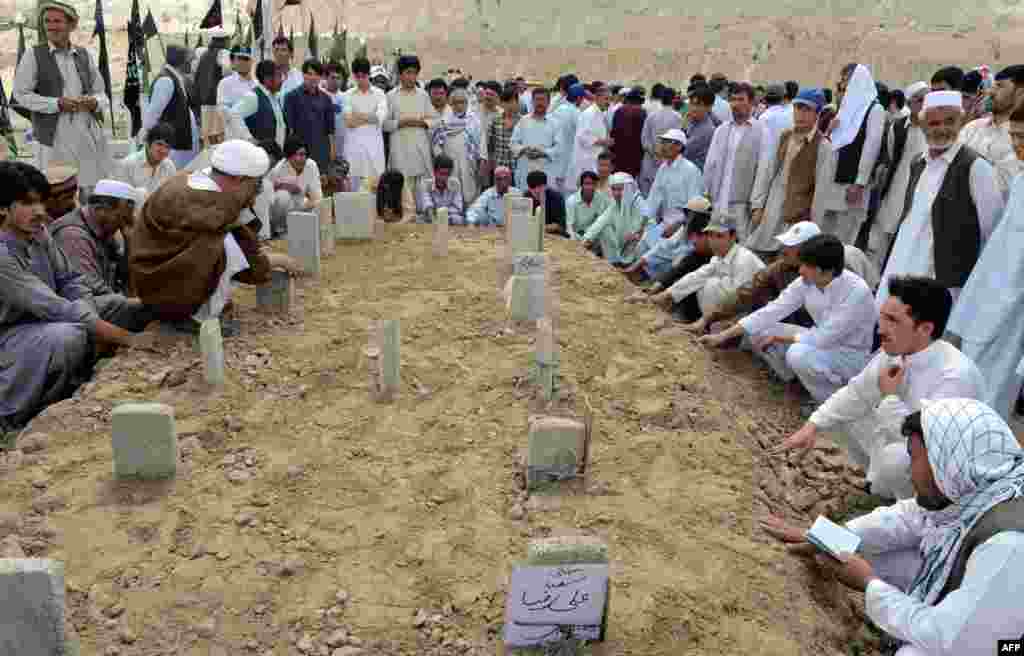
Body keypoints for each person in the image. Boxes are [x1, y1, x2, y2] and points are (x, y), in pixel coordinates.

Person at [761, 398, 1024, 656]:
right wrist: (826, 537)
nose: (909, 473)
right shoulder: (978, 487)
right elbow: (904, 518)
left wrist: (869, 584)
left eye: (914, 458)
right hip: (981, 621)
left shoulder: (1009, 544)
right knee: (867, 550)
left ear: (947, 463)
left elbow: (957, 643)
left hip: (998, 646)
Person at [777, 276, 985, 500]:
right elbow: (856, 393)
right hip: (903, 440)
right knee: (845, 411)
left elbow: (925, 447)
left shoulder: (954, 377)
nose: (880, 330)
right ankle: (878, 486)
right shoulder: (896, 351)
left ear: (925, 329)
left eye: (893, 320)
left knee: (896, 458)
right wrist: (812, 427)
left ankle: (911, 512)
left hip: (942, 478)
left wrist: (888, 397)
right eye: (882, 317)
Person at [0, 162, 139, 434]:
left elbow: (71, 281)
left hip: (50, 319)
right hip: (11, 333)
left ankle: (79, 372)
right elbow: (52, 306)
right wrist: (125, 338)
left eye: (41, 202)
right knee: (67, 335)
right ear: (3, 207)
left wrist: (94, 317)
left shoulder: (39, 233)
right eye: (28, 203)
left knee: (119, 306)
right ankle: (15, 414)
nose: (39, 211)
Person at [129, 140, 302, 329]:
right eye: (254, 185)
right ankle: (197, 318)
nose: (253, 196)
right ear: (238, 179)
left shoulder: (199, 180)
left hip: (156, 277)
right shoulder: (208, 201)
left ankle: (199, 306)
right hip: (158, 285)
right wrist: (277, 261)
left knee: (225, 246)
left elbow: (246, 242)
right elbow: (246, 256)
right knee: (223, 247)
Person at [700, 234, 876, 405]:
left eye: (807, 266)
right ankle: (796, 384)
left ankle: (830, 402)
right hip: (818, 341)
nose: (800, 270)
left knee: (798, 354)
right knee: (761, 330)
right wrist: (722, 336)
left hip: (850, 355)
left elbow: (825, 337)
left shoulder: (856, 291)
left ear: (826, 271)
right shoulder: (807, 281)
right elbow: (773, 310)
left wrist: (780, 338)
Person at [877, 91, 1003, 308]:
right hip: (905, 264)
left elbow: (992, 232)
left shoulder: (975, 167)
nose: (942, 129)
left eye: (950, 122)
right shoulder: (918, 163)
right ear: (923, 125)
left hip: (946, 280)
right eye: (934, 123)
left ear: (961, 122)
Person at [947, 104, 1024, 420]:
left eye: (1023, 137)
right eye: (1014, 136)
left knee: (990, 395)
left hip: (1014, 315)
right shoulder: (1020, 181)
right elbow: (996, 251)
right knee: (965, 379)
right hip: (987, 300)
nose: (1017, 144)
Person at [685, 221, 878, 334]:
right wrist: (709, 317)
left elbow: (860, 309)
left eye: (790, 246)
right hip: (812, 331)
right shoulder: (783, 266)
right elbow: (749, 292)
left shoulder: (846, 262)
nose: (784, 250)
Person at [12, 0, 113, 203]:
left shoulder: (84, 55)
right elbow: (20, 95)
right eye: (47, 21)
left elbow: (103, 95)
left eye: (57, 21)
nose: (51, 26)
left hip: (86, 135)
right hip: (54, 137)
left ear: (71, 25)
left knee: (89, 191)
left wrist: (93, 101)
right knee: (57, 194)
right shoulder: (34, 55)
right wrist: (56, 104)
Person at [50, 179, 154, 331]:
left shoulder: (104, 229)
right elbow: (88, 289)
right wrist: (130, 303)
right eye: (122, 218)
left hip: (98, 302)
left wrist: (130, 240)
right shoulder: (73, 236)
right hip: (75, 310)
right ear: (101, 209)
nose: (123, 224)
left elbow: (124, 276)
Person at [811, 64, 886, 245]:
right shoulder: (845, 108)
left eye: (847, 80)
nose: (843, 85)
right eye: (842, 82)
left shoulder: (874, 109)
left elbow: (871, 147)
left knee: (844, 238)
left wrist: (860, 183)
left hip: (851, 186)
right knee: (824, 233)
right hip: (832, 181)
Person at [747, 88, 824, 257]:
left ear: (817, 114)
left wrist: (811, 226)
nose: (801, 114)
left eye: (807, 110)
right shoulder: (785, 136)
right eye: (798, 108)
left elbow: (820, 192)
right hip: (771, 210)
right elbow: (768, 172)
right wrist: (757, 206)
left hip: (796, 217)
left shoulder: (822, 145)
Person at [622, 128, 705, 281]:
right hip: (665, 224)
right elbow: (653, 201)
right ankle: (642, 277)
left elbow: (695, 209)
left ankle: (653, 280)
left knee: (665, 251)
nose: (663, 146)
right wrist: (641, 228)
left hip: (684, 228)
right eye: (663, 142)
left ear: (679, 146)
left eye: (667, 142)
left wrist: (677, 227)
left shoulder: (691, 171)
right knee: (642, 244)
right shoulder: (663, 168)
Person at [649, 213, 765, 322]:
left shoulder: (743, 260)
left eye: (719, 236)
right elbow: (696, 276)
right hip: (731, 315)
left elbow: (739, 301)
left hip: (754, 316)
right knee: (699, 281)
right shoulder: (718, 258)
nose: (714, 241)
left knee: (711, 285)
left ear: (733, 236)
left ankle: (712, 326)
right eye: (710, 235)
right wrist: (664, 295)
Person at [867, 82, 929, 270]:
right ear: (909, 103)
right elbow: (891, 157)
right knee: (879, 238)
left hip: (922, 193)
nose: (925, 103)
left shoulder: (933, 128)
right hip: (895, 190)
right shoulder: (898, 127)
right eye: (920, 100)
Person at [704, 82, 768, 243]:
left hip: (742, 204)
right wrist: (706, 194)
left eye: (741, 99)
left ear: (752, 103)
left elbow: (763, 170)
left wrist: (757, 205)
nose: (735, 104)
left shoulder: (762, 131)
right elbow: (710, 165)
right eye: (732, 100)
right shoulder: (721, 130)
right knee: (716, 244)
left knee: (741, 246)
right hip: (718, 200)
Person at [957, 64, 1024, 200]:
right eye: (993, 86)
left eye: (1000, 86)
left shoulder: (1020, 138)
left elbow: (1003, 184)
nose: (991, 92)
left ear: (1020, 92)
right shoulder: (972, 128)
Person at [384, 55, 434, 202]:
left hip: (420, 149)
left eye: (414, 72)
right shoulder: (391, 96)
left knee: (422, 193)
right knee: (401, 191)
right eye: (408, 72)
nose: (411, 77)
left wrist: (421, 123)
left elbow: (434, 120)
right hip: (400, 150)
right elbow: (384, 124)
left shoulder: (423, 95)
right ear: (400, 74)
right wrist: (401, 123)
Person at [142, 44, 200, 170]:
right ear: (182, 61)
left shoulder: (176, 78)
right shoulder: (166, 81)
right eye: (190, 60)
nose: (192, 64)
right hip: (170, 146)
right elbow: (154, 113)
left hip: (177, 144)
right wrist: (148, 139)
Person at [342, 58, 388, 193]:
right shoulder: (347, 95)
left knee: (375, 191)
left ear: (369, 75)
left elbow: (380, 118)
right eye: (358, 76)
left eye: (364, 76)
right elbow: (349, 122)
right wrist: (369, 116)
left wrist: (358, 115)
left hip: (374, 152)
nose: (361, 80)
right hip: (353, 151)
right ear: (353, 76)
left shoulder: (379, 94)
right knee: (352, 193)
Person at [582, 171, 646, 265]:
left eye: (620, 189)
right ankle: (614, 263)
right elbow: (600, 222)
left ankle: (636, 268)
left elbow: (646, 228)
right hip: (624, 244)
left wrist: (636, 235)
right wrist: (586, 239)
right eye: (614, 189)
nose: (616, 193)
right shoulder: (615, 203)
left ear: (628, 189)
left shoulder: (639, 203)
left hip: (639, 245)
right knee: (604, 229)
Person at [283, 59, 335, 172]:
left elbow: (330, 130)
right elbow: (289, 129)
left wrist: (332, 153)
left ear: (321, 77)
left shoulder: (326, 99)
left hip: (321, 153)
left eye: (317, 74)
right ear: (303, 74)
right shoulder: (291, 97)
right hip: (299, 155)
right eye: (309, 74)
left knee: (319, 187)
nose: (313, 77)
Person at [432, 88, 481, 206]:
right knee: (451, 193)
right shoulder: (444, 121)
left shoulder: (474, 121)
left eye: (462, 102)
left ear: (467, 103)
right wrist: (442, 161)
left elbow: (481, 145)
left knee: (469, 195)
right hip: (449, 165)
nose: (459, 106)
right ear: (451, 104)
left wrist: (481, 165)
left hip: (469, 164)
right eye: (456, 102)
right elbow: (436, 145)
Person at [268, 135, 323, 238]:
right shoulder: (278, 170)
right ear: (288, 157)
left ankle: (305, 229)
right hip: (281, 212)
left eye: (302, 154)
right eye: (295, 155)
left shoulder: (311, 165)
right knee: (282, 196)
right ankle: (281, 231)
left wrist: (313, 203)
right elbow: (269, 198)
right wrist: (282, 186)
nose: (299, 159)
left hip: (301, 205)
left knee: (320, 202)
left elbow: (317, 194)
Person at [227, 60, 286, 150]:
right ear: (267, 79)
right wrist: (249, 139)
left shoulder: (275, 97)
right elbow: (233, 114)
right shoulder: (253, 97)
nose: (282, 80)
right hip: (260, 154)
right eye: (279, 76)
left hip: (276, 153)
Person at [510, 87, 561, 191]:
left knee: (544, 203)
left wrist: (543, 153)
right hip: (525, 170)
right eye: (537, 99)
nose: (540, 103)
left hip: (546, 171)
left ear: (548, 102)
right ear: (532, 102)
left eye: (543, 100)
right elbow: (513, 143)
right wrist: (524, 149)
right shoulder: (523, 121)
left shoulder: (555, 123)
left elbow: (559, 148)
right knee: (524, 202)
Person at [638, 86, 684, 195]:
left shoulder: (651, 116)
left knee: (647, 196)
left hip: (650, 161)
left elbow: (644, 139)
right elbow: (678, 141)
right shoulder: (677, 117)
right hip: (668, 162)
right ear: (674, 99)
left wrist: (654, 153)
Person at [116, 122, 176, 199]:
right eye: (159, 144)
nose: (163, 150)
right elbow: (122, 199)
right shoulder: (128, 164)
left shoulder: (169, 166)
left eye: (167, 147)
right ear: (148, 143)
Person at [570, 83, 613, 187]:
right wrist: (604, 142)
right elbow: (583, 137)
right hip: (586, 162)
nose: (608, 102)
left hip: (595, 160)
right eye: (606, 99)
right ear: (597, 98)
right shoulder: (589, 114)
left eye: (610, 99)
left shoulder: (600, 113)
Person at [192, 26, 230, 146]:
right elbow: (227, 71)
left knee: (207, 137)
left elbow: (196, 74)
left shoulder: (203, 54)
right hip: (216, 99)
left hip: (203, 100)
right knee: (218, 136)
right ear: (223, 40)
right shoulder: (223, 53)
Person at [550, 83, 586, 193]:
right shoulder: (577, 113)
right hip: (569, 161)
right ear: (579, 98)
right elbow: (583, 138)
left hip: (555, 160)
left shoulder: (558, 109)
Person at [609, 87, 646, 179]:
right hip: (634, 155)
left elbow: (613, 133)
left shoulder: (619, 111)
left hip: (618, 153)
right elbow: (643, 136)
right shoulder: (642, 113)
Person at [417, 154, 465, 224]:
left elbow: (457, 207)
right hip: (430, 218)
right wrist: (434, 220)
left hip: (449, 218)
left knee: (458, 219)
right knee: (419, 220)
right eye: (441, 174)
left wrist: (443, 217)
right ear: (434, 172)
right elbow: (427, 205)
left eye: (447, 174)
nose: (444, 178)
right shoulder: (425, 184)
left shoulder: (455, 183)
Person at [565, 170, 611, 241]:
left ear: (596, 185)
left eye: (593, 184)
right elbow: (569, 226)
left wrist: (590, 239)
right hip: (576, 237)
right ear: (581, 185)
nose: (590, 187)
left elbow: (602, 222)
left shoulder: (601, 198)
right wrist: (574, 243)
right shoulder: (571, 201)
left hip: (595, 238)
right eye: (587, 184)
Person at [683, 85, 720, 172]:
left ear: (709, 107)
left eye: (698, 105)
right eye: (692, 103)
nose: (693, 108)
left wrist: (683, 127)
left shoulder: (707, 129)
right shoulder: (692, 122)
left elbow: (683, 152)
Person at [487, 89, 519, 178]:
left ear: (517, 102)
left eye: (513, 101)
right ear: (501, 103)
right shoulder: (495, 120)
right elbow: (491, 144)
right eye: (506, 102)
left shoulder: (523, 121)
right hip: (499, 166)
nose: (510, 105)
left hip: (516, 167)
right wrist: (490, 162)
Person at [525, 171, 566, 236]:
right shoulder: (526, 197)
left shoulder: (557, 198)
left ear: (546, 186)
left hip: (554, 235)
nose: (537, 190)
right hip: (532, 234)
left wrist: (542, 202)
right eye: (533, 187)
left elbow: (560, 225)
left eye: (539, 186)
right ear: (528, 188)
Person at [216, 46, 256, 112]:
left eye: (246, 59)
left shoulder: (257, 84)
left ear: (251, 62)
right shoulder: (225, 83)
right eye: (239, 59)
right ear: (233, 61)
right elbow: (222, 110)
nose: (243, 62)